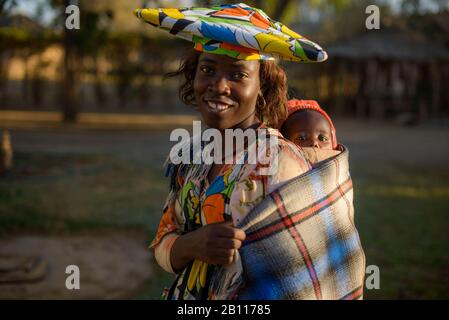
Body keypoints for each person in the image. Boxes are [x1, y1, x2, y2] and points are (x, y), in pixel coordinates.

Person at [135, 3, 365, 300]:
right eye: (207, 70)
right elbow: (163, 243)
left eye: (238, 75)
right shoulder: (193, 157)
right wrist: (194, 244)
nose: (219, 86)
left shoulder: (280, 161)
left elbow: (307, 281)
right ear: (193, 76)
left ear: (262, 87)